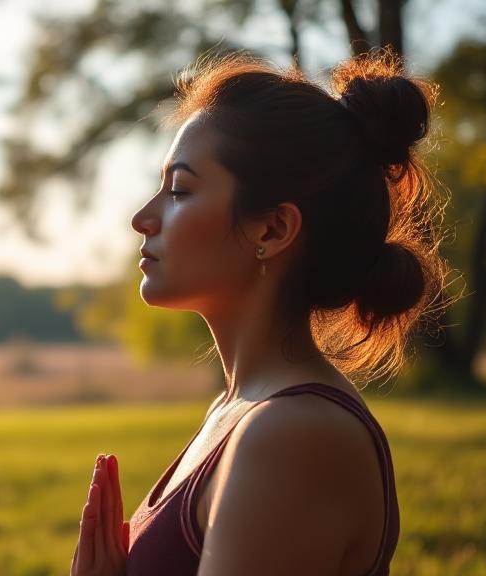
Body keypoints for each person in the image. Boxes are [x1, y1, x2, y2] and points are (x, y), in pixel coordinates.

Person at [70, 47, 455, 576]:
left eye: (180, 190)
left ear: (272, 230)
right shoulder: (239, 412)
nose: (142, 218)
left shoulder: (293, 434)